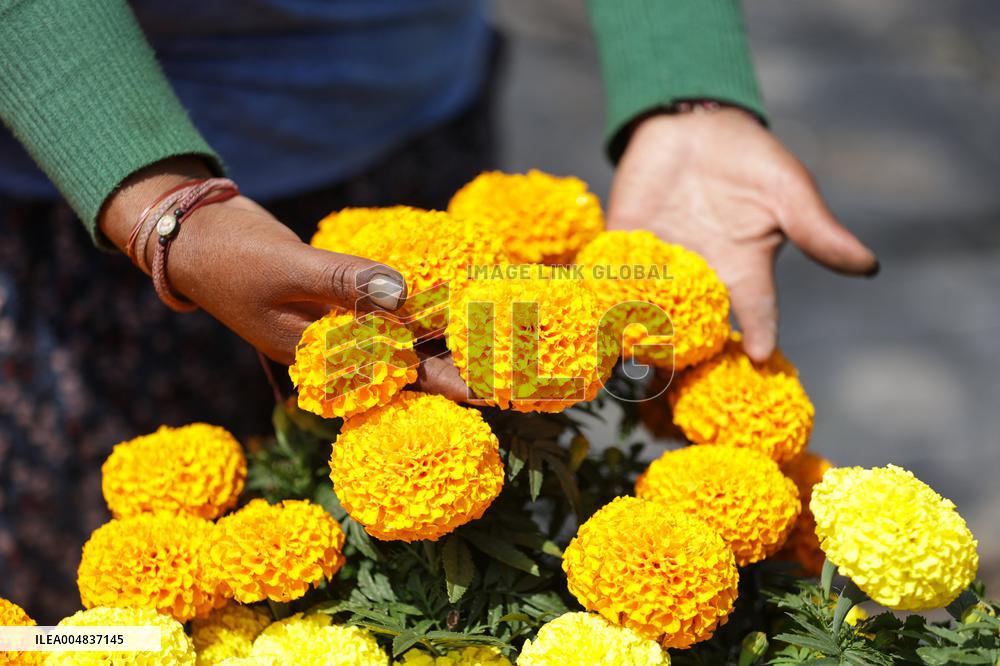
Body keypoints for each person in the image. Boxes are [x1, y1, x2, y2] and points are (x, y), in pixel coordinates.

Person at [0, 0, 877, 620]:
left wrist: (684, 89)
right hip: (73, 182)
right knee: (91, 624)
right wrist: (157, 204)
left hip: (410, 110)